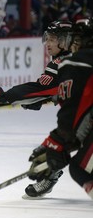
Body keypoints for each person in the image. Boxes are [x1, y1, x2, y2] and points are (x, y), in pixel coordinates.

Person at [0, 21, 73, 198]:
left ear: (65, 41)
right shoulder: (77, 56)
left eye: (52, 39)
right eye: (48, 39)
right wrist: (45, 98)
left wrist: (0, 96)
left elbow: (37, 89)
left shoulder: (62, 64)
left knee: (68, 154)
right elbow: (54, 91)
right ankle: (51, 175)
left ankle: (50, 175)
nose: (47, 43)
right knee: (61, 145)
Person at [26, 18, 93, 199]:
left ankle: (52, 174)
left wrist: (55, 144)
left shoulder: (78, 63)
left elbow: (72, 116)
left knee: (79, 168)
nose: (73, 45)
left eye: (76, 40)